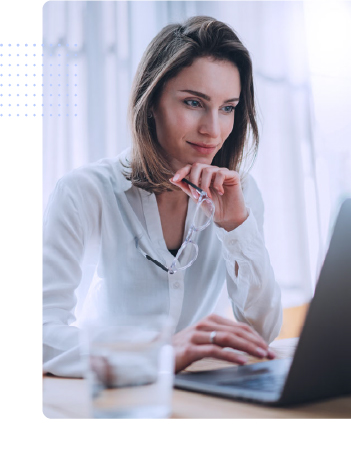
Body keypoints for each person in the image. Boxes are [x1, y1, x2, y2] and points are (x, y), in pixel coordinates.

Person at [43, 16, 282, 378]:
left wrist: (236, 227)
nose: (213, 130)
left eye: (228, 108)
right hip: (111, 399)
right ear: (151, 100)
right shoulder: (84, 191)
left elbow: (261, 333)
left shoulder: (240, 195)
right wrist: (156, 354)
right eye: (193, 102)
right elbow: (38, 336)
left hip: (201, 395)